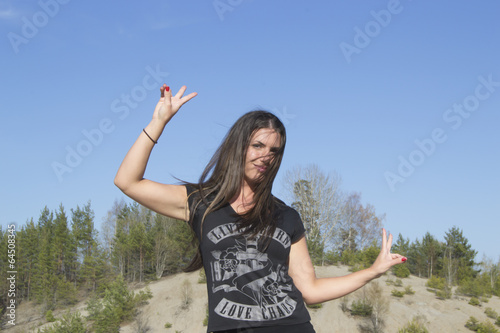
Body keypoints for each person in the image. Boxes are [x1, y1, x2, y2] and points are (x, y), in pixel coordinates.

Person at [114, 84, 407, 333]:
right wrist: (159, 122)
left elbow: (311, 291)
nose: (265, 156)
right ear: (239, 146)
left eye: (273, 151)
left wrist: (372, 271)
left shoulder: (287, 216)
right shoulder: (201, 202)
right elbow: (127, 181)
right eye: (257, 146)